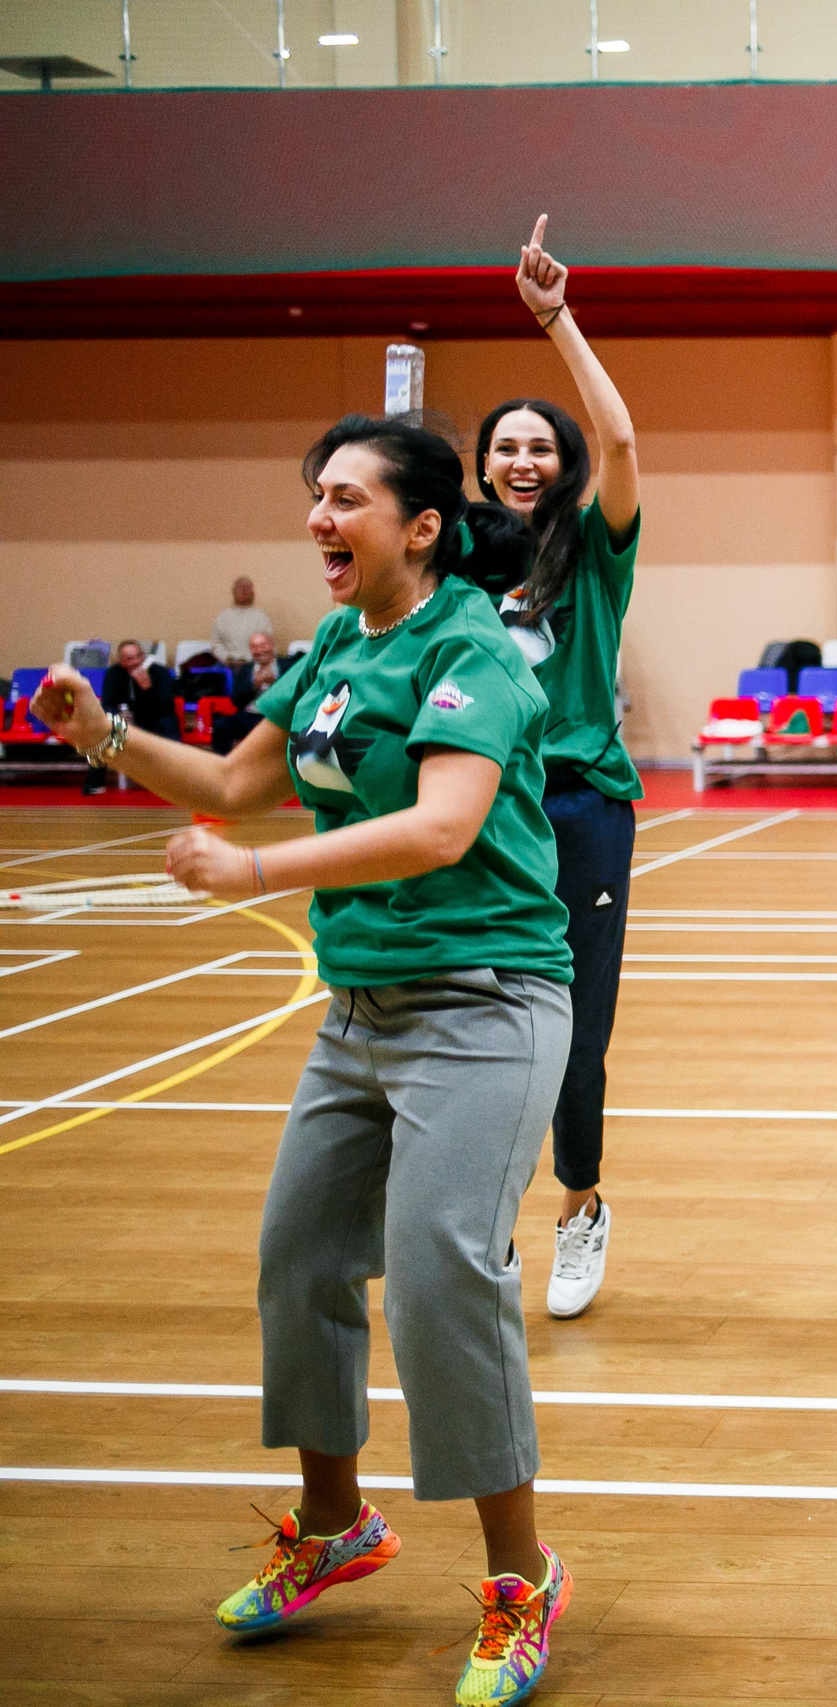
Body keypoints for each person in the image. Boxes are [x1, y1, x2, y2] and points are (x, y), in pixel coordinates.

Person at [36, 413, 575, 1705]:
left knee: (445, 1267)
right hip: (362, 1010)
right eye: (314, 497)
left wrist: (258, 873)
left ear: (422, 525)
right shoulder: (336, 645)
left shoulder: (473, 648)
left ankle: (522, 1575)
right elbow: (232, 784)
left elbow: (443, 827)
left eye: (346, 498)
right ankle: (334, 1523)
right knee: (301, 1255)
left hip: (487, 1002)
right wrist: (102, 735)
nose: (320, 518)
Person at [443, 216, 648, 1323]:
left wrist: (555, 317)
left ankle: (580, 1209)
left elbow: (621, 444)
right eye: (506, 447)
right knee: (480, 1015)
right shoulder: (459, 564)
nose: (525, 459)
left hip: (579, 806)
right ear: (481, 469)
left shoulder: (597, 549)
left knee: (575, 1019)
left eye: (541, 446)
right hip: (475, 804)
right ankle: (488, 1218)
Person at [88, 639, 180, 793]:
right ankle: (95, 783)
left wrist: (148, 689)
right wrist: (118, 715)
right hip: (125, 720)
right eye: (130, 659)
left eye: (139, 656)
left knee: (168, 723)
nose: (136, 662)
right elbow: (107, 704)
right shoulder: (113, 673)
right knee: (102, 732)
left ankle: (177, 781)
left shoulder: (158, 672)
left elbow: (167, 705)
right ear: (121, 661)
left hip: (154, 717)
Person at [212, 630, 285, 755]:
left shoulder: (287, 666)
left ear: (272, 644)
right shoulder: (246, 669)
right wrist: (254, 686)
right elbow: (236, 701)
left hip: (278, 716)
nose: (260, 650)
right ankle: (225, 763)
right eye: (255, 647)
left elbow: (297, 693)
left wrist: (276, 682)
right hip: (251, 715)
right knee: (221, 725)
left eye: (263, 645)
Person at [210, 574, 274, 664]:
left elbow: (266, 645)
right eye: (240, 588)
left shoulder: (261, 617)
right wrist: (227, 659)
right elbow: (215, 644)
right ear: (233, 592)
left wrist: (246, 660)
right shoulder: (222, 617)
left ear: (252, 592)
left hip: (253, 664)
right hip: (227, 664)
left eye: (247, 588)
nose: (244, 591)